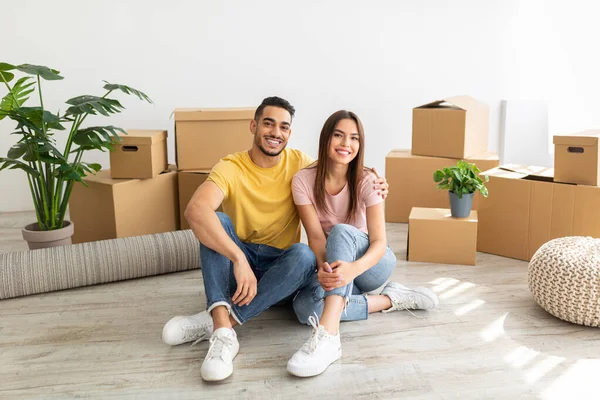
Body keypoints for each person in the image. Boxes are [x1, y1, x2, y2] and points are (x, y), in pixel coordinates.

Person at [160, 97, 389, 382]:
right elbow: (195, 210)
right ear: (254, 126)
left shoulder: (300, 166)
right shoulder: (231, 166)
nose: (275, 132)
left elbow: (339, 163)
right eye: (268, 124)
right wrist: (238, 258)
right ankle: (222, 331)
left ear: (289, 134)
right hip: (241, 272)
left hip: (284, 271)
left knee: (304, 255)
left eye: (283, 127)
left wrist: (375, 178)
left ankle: (220, 322)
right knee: (215, 221)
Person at [287, 110, 439, 378]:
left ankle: (329, 336)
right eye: (339, 135)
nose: (346, 144)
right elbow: (315, 237)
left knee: (342, 231)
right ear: (326, 138)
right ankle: (390, 299)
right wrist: (328, 271)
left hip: (372, 264)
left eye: (354, 138)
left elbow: (380, 242)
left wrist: (352, 270)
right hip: (336, 264)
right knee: (303, 308)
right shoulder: (303, 180)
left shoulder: (369, 180)